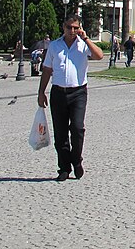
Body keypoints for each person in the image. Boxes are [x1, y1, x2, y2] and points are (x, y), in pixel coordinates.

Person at [37, 15, 104, 181]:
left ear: (80, 28)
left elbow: (99, 56)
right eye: (69, 27)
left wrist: (86, 38)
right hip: (58, 92)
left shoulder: (83, 44)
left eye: (75, 28)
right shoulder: (54, 46)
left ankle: (77, 160)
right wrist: (41, 92)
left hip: (78, 92)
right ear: (63, 27)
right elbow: (46, 70)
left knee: (77, 128)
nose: (72, 31)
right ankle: (64, 168)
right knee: (60, 133)